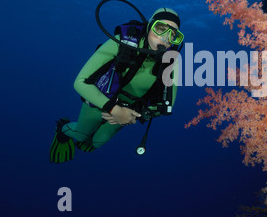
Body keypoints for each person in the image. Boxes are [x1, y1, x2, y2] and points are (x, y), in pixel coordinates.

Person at [50, 8, 184, 163]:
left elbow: (167, 106)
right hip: (99, 100)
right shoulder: (123, 41)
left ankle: (89, 138)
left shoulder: (173, 62)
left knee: (96, 143)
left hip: (128, 111)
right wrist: (114, 109)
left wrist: (132, 114)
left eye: (173, 34)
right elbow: (80, 82)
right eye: (160, 29)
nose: (166, 38)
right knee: (81, 135)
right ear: (149, 26)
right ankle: (62, 128)